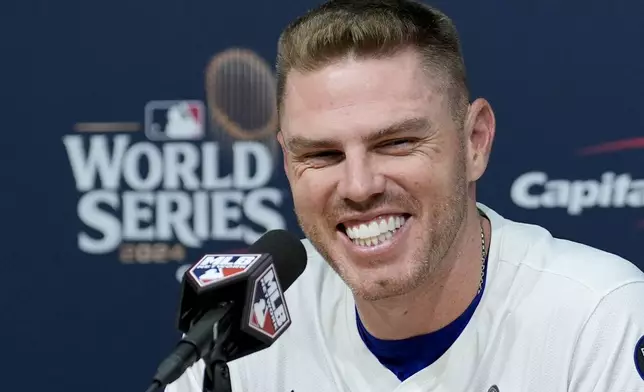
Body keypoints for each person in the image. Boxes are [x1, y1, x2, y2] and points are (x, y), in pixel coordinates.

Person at [166, 1, 644, 391]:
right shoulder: (240, 325)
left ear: (475, 141)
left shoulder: (597, 319)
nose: (358, 186)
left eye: (396, 143)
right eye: (323, 154)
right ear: (289, 163)